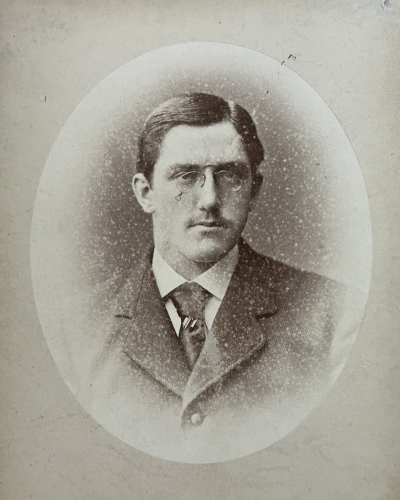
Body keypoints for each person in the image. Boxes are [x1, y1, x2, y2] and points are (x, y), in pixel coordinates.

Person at [86, 93, 349, 457]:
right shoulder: (76, 326)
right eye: (186, 175)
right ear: (146, 193)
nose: (210, 199)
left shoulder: (333, 315)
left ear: (254, 191)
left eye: (230, 175)